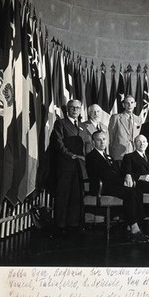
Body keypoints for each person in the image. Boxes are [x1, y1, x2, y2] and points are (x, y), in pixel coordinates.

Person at [85, 130, 149, 243]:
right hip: (101, 187)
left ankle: (131, 225)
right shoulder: (91, 156)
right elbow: (105, 174)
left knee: (136, 191)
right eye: (99, 140)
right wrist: (123, 180)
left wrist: (128, 175)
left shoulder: (108, 157)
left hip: (113, 185)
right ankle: (134, 229)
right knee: (130, 193)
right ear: (93, 142)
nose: (102, 142)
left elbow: (119, 172)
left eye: (104, 139)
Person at [51, 99, 91, 233]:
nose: (75, 110)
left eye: (78, 108)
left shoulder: (83, 126)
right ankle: (60, 225)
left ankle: (73, 224)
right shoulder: (60, 123)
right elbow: (58, 144)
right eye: (72, 107)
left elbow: (87, 145)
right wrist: (72, 155)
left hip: (80, 166)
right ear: (67, 109)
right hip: (66, 164)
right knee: (63, 194)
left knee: (76, 195)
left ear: (80, 110)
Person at [108, 95, 142, 163]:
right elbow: (110, 137)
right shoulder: (116, 118)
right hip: (118, 154)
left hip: (133, 152)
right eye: (127, 103)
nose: (130, 105)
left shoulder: (138, 119)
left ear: (135, 104)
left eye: (132, 103)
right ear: (123, 105)